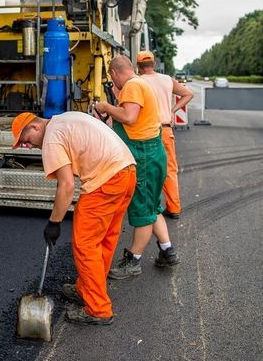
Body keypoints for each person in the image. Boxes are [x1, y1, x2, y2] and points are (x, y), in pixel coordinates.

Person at [12, 111, 136, 326]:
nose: (29, 146)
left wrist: (54, 222)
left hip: (105, 180)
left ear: (35, 127)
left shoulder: (51, 137)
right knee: (105, 239)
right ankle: (86, 290)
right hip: (126, 172)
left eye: (26, 141)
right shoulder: (65, 119)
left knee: (85, 245)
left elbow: (67, 185)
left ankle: (98, 309)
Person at [94, 55, 179, 280]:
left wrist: (106, 106)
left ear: (113, 73)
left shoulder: (131, 85)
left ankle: (133, 261)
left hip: (143, 157)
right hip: (153, 152)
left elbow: (129, 117)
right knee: (152, 206)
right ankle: (167, 250)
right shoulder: (142, 83)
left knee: (143, 211)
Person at [136, 51, 194, 218]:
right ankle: (174, 208)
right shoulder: (167, 80)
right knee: (169, 169)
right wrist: (172, 110)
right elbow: (188, 94)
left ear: (139, 66)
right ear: (153, 64)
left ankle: (147, 208)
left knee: (145, 169)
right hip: (165, 129)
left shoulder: (137, 82)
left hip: (146, 131)